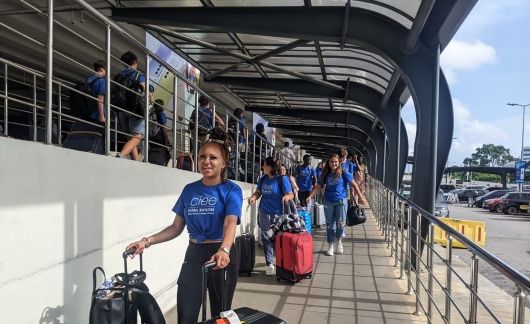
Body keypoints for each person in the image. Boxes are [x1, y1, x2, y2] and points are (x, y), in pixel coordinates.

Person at [126, 127, 242, 324]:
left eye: (213, 158)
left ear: (224, 163)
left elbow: (230, 222)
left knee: (219, 316)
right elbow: (175, 228)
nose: (206, 161)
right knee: (186, 315)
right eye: (202, 156)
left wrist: (224, 249)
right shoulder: (189, 190)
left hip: (221, 253)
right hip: (194, 252)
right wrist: (147, 241)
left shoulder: (231, 190)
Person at [306, 153, 362, 256]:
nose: (333, 163)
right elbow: (318, 186)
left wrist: (361, 197)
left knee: (340, 224)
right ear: (329, 162)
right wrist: (310, 196)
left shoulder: (344, 172)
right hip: (328, 201)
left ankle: (339, 240)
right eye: (331, 162)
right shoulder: (325, 173)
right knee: (330, 225)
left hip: (341, 201)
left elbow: (353, 184)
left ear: (339, 162)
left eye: (336, 161)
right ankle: (331, 244)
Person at [248, 157, 294, 276]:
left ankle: (280, 261)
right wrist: (254, 197)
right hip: (264, 212)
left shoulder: (282, 179)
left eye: (264, 165)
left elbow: (291, 194)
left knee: (277, 238)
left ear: (270, 167)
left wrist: (286, 197)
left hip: (278, 214)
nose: (262, 167)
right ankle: (269, 263)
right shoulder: (263, 179)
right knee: (266, 237)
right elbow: (259, 192)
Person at [115, 51, 146, 161]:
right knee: (138, 137)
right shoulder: (138, 74)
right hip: (135, 109)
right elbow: (143, 89)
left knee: (130, 137)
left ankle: (135, 161)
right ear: (134, 62)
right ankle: (120, 155)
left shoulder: (119, 76)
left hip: (121, 109)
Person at [86, 60, 107, 124]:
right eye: (105, 69)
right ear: (101, 69)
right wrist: (101, 117)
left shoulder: (88, 80)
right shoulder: (102, 81)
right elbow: (100, 99)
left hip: (87, 112)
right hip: (95, 115)